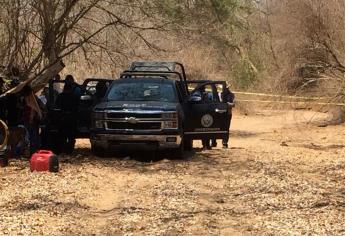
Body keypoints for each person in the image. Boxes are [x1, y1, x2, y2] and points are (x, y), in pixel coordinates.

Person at [55, 83, 80, 153]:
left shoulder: (60, 96)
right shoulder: (74, 97)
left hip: (63, 118)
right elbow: (78, 107)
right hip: (72, 118)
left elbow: (57, 106)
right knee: (71, 136)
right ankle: (69, 150)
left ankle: (63, 149)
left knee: (63, 136)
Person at [221, 83, 235, 149]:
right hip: (219, 113)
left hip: (227, 114)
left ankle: (224, 143)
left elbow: (233, 104)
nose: (225, 89)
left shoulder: (231, 95)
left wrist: (226, 104)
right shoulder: (219, 94)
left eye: (226, 88)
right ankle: (213, 141)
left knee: (226, 128)